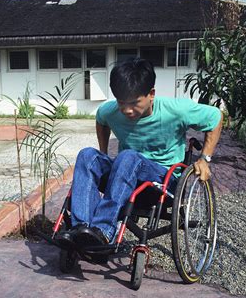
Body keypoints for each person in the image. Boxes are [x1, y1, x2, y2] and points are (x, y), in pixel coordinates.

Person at [57, 57, 223, 251]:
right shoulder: (110, 111)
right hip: (123, 172)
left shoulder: (176, 110)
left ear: (151, 94)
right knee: (87, 155)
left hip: (162, 181)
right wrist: (103, 152)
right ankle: (81, 229)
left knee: (128, 156)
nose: (127, 110)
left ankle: (103, 231)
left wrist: (204, 159)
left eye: (135, 103)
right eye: (121, 102)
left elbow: (215, 117)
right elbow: (101, 119)